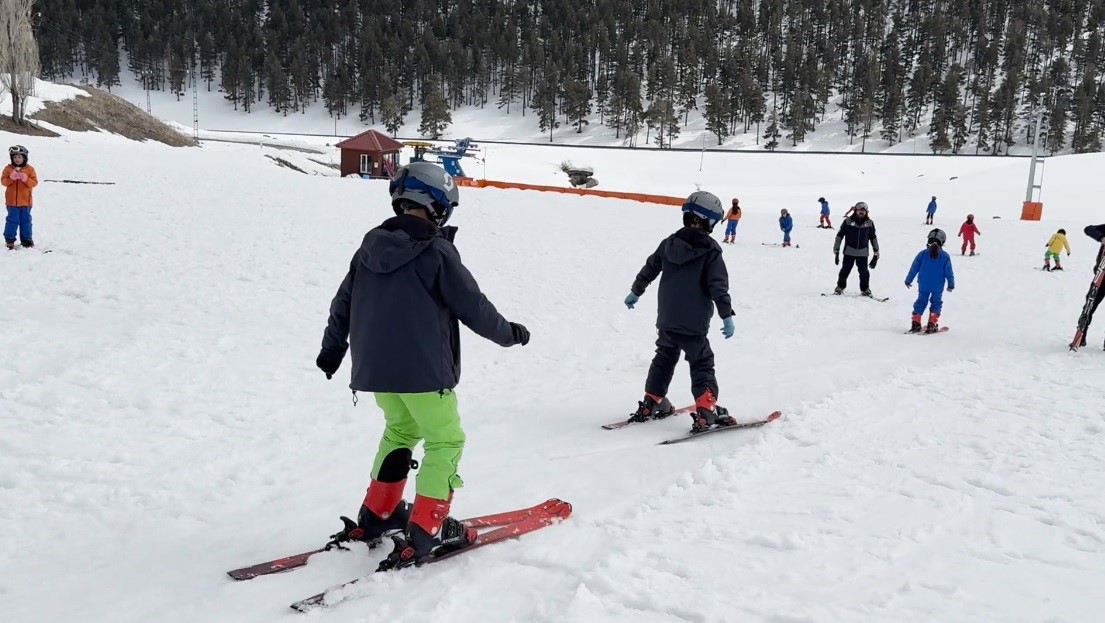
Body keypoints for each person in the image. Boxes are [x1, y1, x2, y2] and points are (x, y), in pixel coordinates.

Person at [315, 161, 531, 566]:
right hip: (425, 373)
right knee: (445, 440)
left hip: (376, 371)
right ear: (437, 205)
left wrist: (331, 352)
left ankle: (378, 514)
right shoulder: (436, 250)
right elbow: (473, 306)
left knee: (400, 430)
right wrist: (510, 333)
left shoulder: (368, 250)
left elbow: (342, 305)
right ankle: (428, 528)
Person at [623, 191, 737, 433]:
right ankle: (706, 409)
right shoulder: (711, 250)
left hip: (667, 319)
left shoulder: (669, 243)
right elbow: (718, 287)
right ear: (706, 220)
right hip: (693, 323)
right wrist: (726, 315)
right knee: (701, 361)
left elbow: (649, 268)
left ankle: (653, 400)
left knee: (664, 356)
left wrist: (636, 291)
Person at [905, 228, 955, 333]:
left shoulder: (922, 254)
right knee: (936, 302)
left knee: (921, 301)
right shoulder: (945, 256)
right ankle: (932, 323)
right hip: (937, 285)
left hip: (923, 284)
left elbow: (914, 268)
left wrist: (908, 280)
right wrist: (951, 284)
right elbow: (949, 272)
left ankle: (916, 322)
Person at [833, 201, 880, 296]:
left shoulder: (869, 223)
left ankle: (865, 289)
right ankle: (840, 287)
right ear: (855, 211)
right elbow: (839, 236)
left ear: (866, 212)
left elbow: (873, 237)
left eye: (863, 210)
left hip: (863, 252)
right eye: (859, 210)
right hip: (849, 252)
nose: (861, 212)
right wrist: (836, 250)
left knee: (864, 272)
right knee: (845, 271)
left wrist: (876, 252)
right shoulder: (848, 221)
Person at [1074, 223, 1105, 348]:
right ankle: (1081, 336)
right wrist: (1102, 237)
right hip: (1101, 278)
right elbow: (1088, 229)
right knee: (1089, 306)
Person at [2, 145, 39, 250]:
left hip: (26, 202)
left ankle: (27, 240)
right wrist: (10, 178)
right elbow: (3, 181)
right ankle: (9, 239)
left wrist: (26, 179)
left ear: (24, 157)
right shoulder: (8, 169)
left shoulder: (30, 169)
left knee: (26, 221)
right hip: (12, 202)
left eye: (19, 157)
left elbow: (34, 182)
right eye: (14, 157)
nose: (17, 159)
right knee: (12, 221)